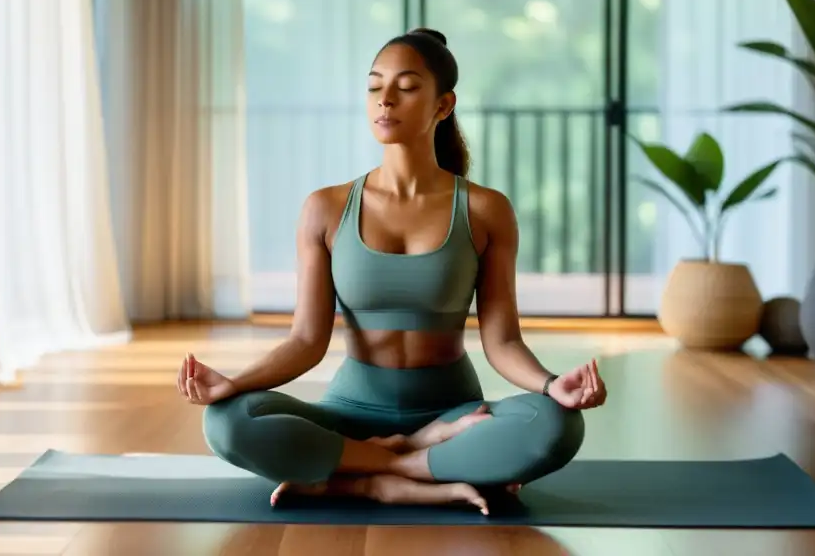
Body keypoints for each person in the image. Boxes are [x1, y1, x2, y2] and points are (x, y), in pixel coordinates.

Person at [177, 28, 607, 515]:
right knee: (228, 421)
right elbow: (305, 341)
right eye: (374, 85)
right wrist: (235, 384)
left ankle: (361, 473)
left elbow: (503, 342)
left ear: (443, 106)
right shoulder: (326, 208)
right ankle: (403, 471)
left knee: (557, 424)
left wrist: (552, 386)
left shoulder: (486, 210)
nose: (384, 99)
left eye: (405, 87)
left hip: (454, 414)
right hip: (347, 417)